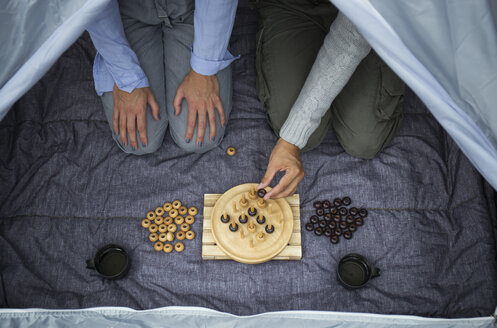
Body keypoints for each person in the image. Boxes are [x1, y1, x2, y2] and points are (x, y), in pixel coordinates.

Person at [254, 0, 405, 199]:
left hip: (369, 16)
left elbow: (350, 37)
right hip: (292, 6)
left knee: (365, 141)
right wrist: (292, 139)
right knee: (293, 128)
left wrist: (292, 138)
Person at [86, 0, 238, 155]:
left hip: (191, 9)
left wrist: (203, 72)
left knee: (201, 138)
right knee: (138, 142)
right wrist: (127, 78)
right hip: (126, 11)